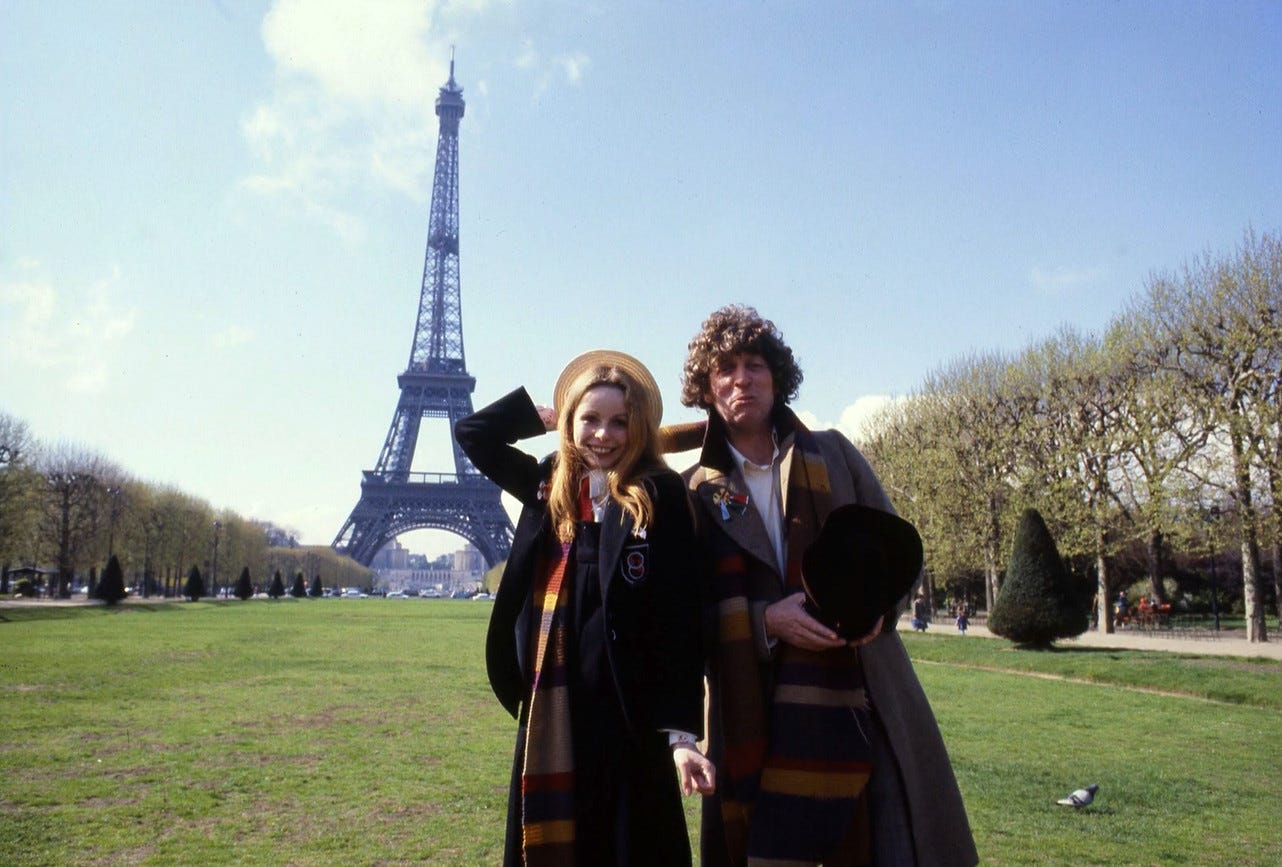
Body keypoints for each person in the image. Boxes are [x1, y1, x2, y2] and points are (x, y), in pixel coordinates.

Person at [669, 304, 976, 867]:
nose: (743, 379)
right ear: (706, 387)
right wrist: (765, 621)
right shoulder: (691, 491)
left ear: (777, 376)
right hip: (751, 706)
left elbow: (897, 553)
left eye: (756, 365)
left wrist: (880, 611)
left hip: (859, 689)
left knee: (875, 843)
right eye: (726, 368)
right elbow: (683, 614)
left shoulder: (833, 452)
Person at [454, 350, 715, 867]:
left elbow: (681, 618)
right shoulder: (547, 486)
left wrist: (684, 736)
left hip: (629, 715)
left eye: (620, 422)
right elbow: (473, 435)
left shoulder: (657, 493)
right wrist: (540, 416)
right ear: (570, 423)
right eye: (589, 419)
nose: (603, 435)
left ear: (637, 426)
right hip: (555, 709)